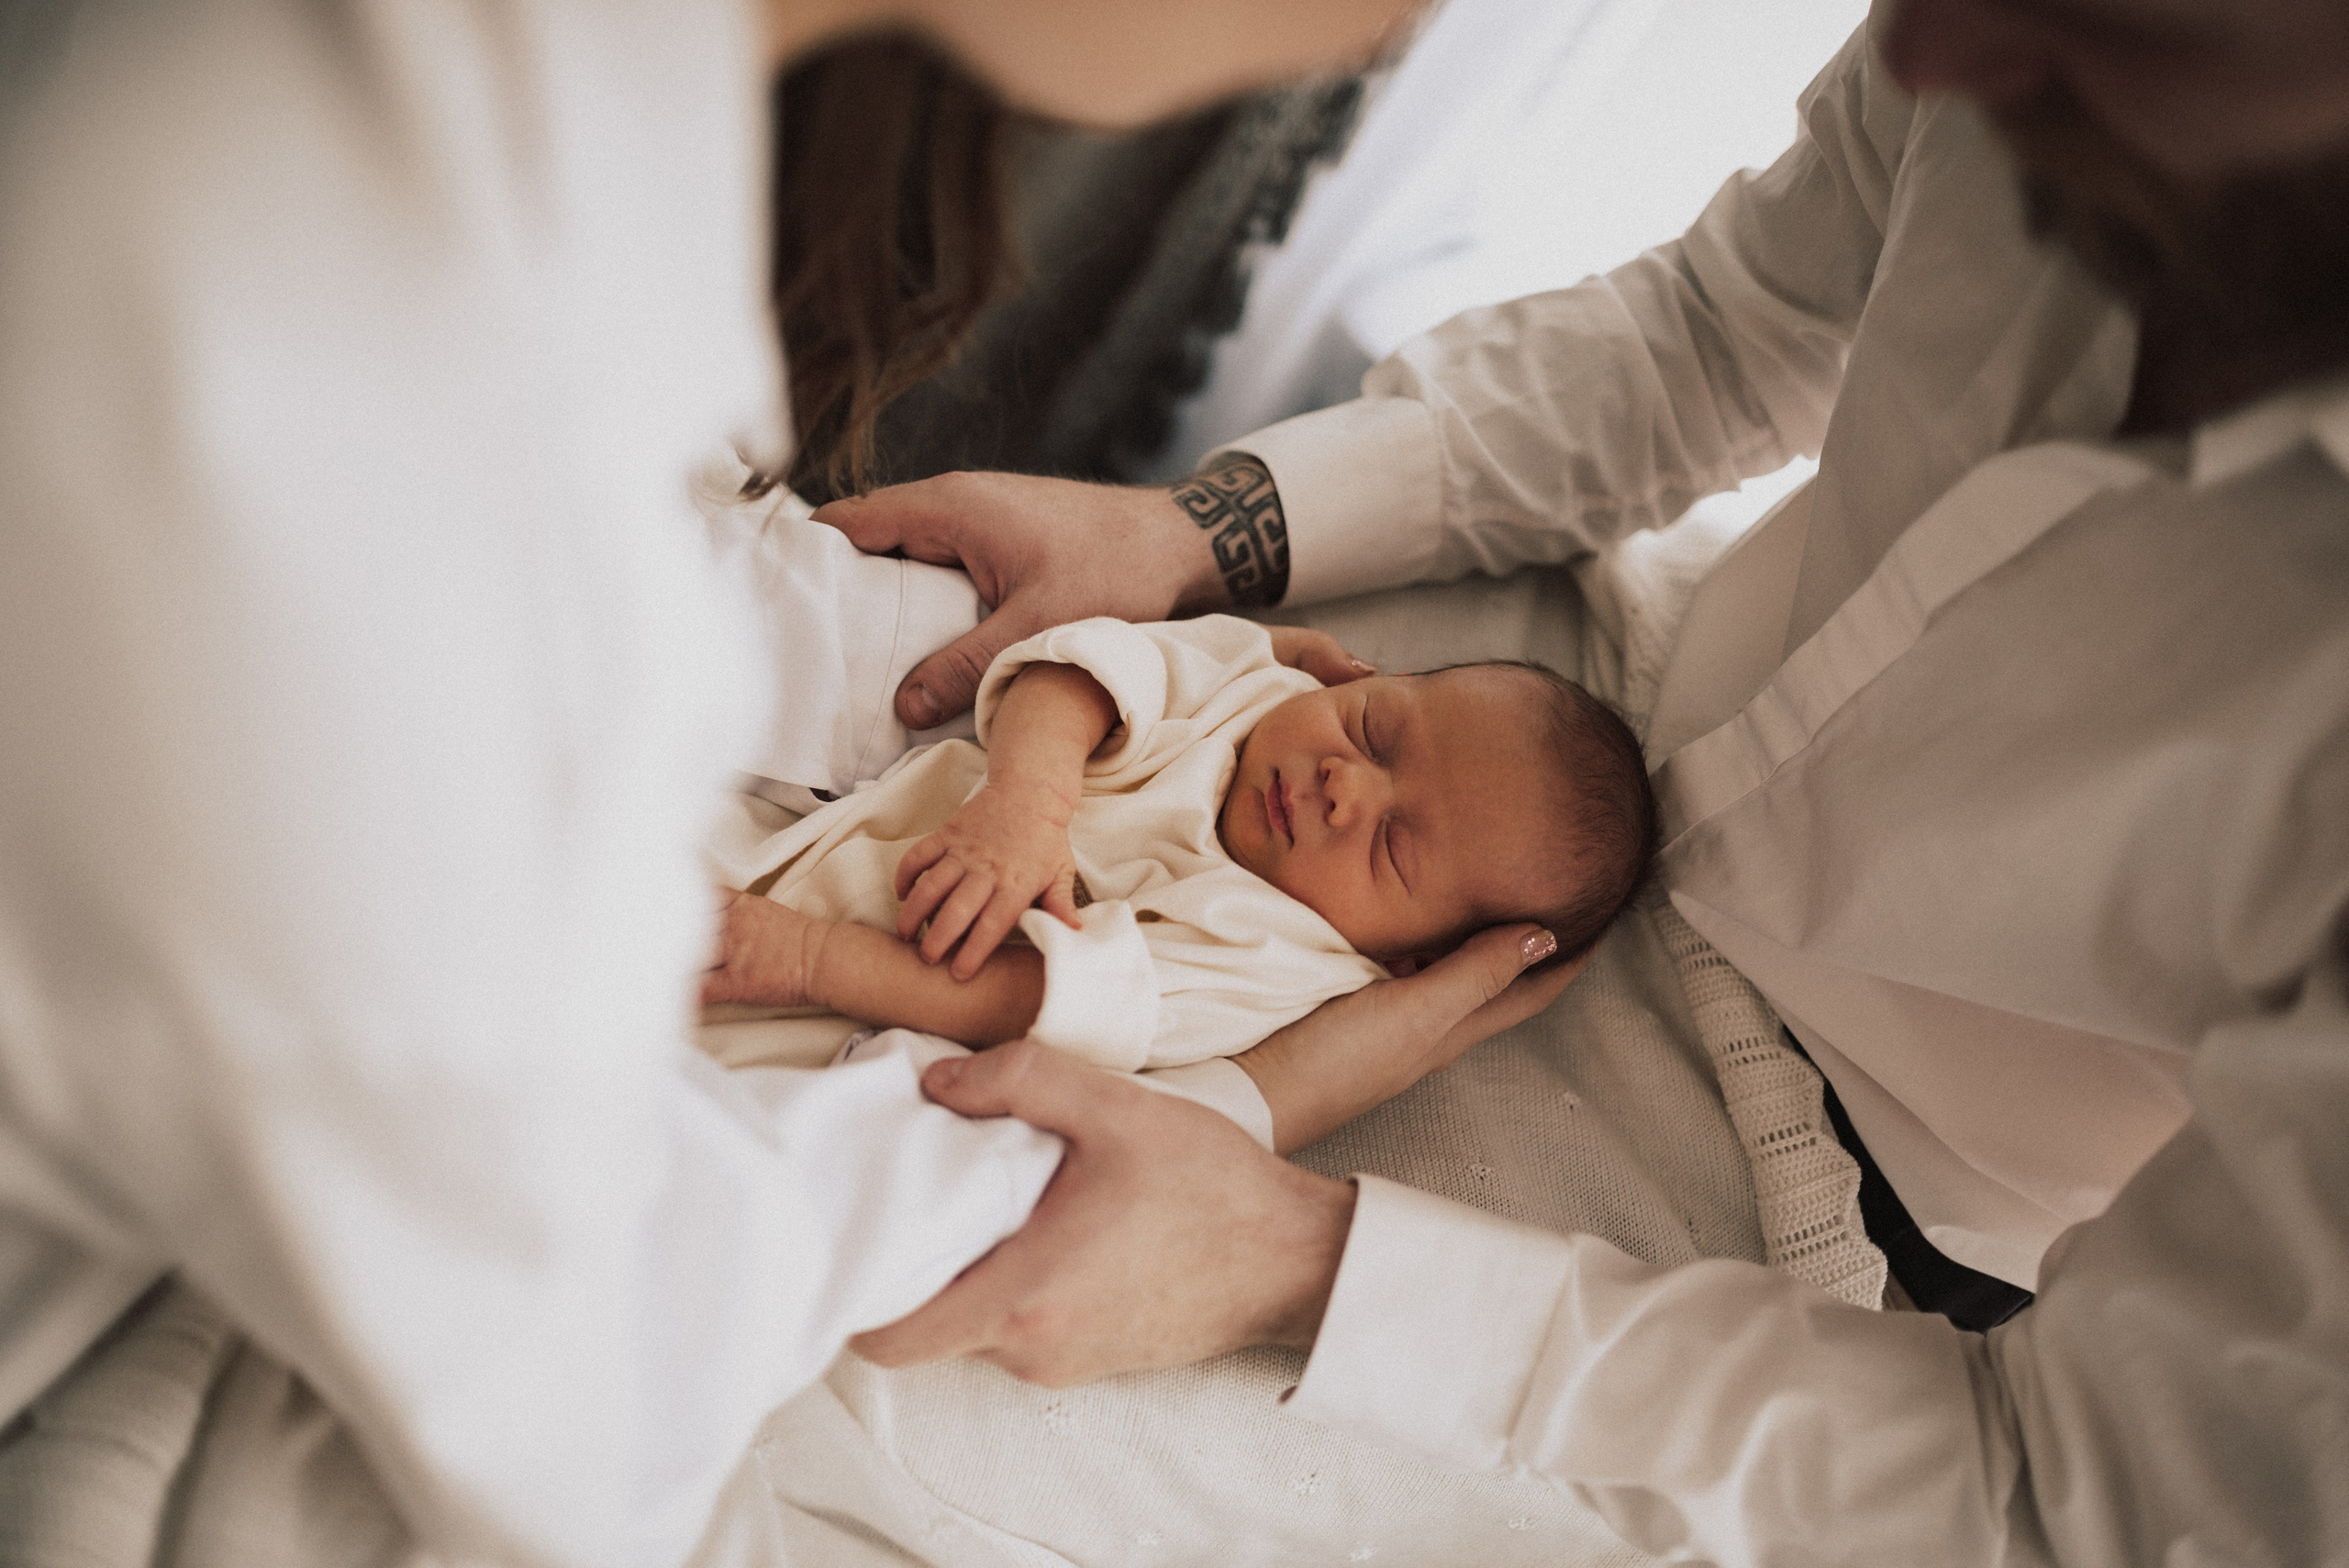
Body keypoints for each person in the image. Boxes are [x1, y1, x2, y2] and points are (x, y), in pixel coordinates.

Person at [6, 1, 1564, 1563]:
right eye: (1381, 741)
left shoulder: (568, 182)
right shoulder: (302, 364)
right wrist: (1254, 1123)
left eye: (1405, 847)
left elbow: (1051, 1015)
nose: (1389, 41)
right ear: (1345, 677)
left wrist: (1249, 1104)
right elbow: (584, 1367)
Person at [823, 0, 2349, 1560]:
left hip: (1771, 1260)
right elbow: (1716, 332)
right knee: (845, 655)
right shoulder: (1994, 35)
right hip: (1541, 715)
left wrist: (1307, 1266)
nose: (1921, 57)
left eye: (2130, 32)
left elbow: (2069, 1500)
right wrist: (1200, 531)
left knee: (851, 1395)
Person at [702, 610, 1646, 1071]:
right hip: (793, 829)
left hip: (826, 989)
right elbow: (1076, 672)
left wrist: (803, 956)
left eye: (1393, 846)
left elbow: (1028, 1001)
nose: (1342, 785)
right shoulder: (1259, 689)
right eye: (1372, 727)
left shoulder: (1283, 959)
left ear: (1409, 960)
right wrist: (1029, 798)